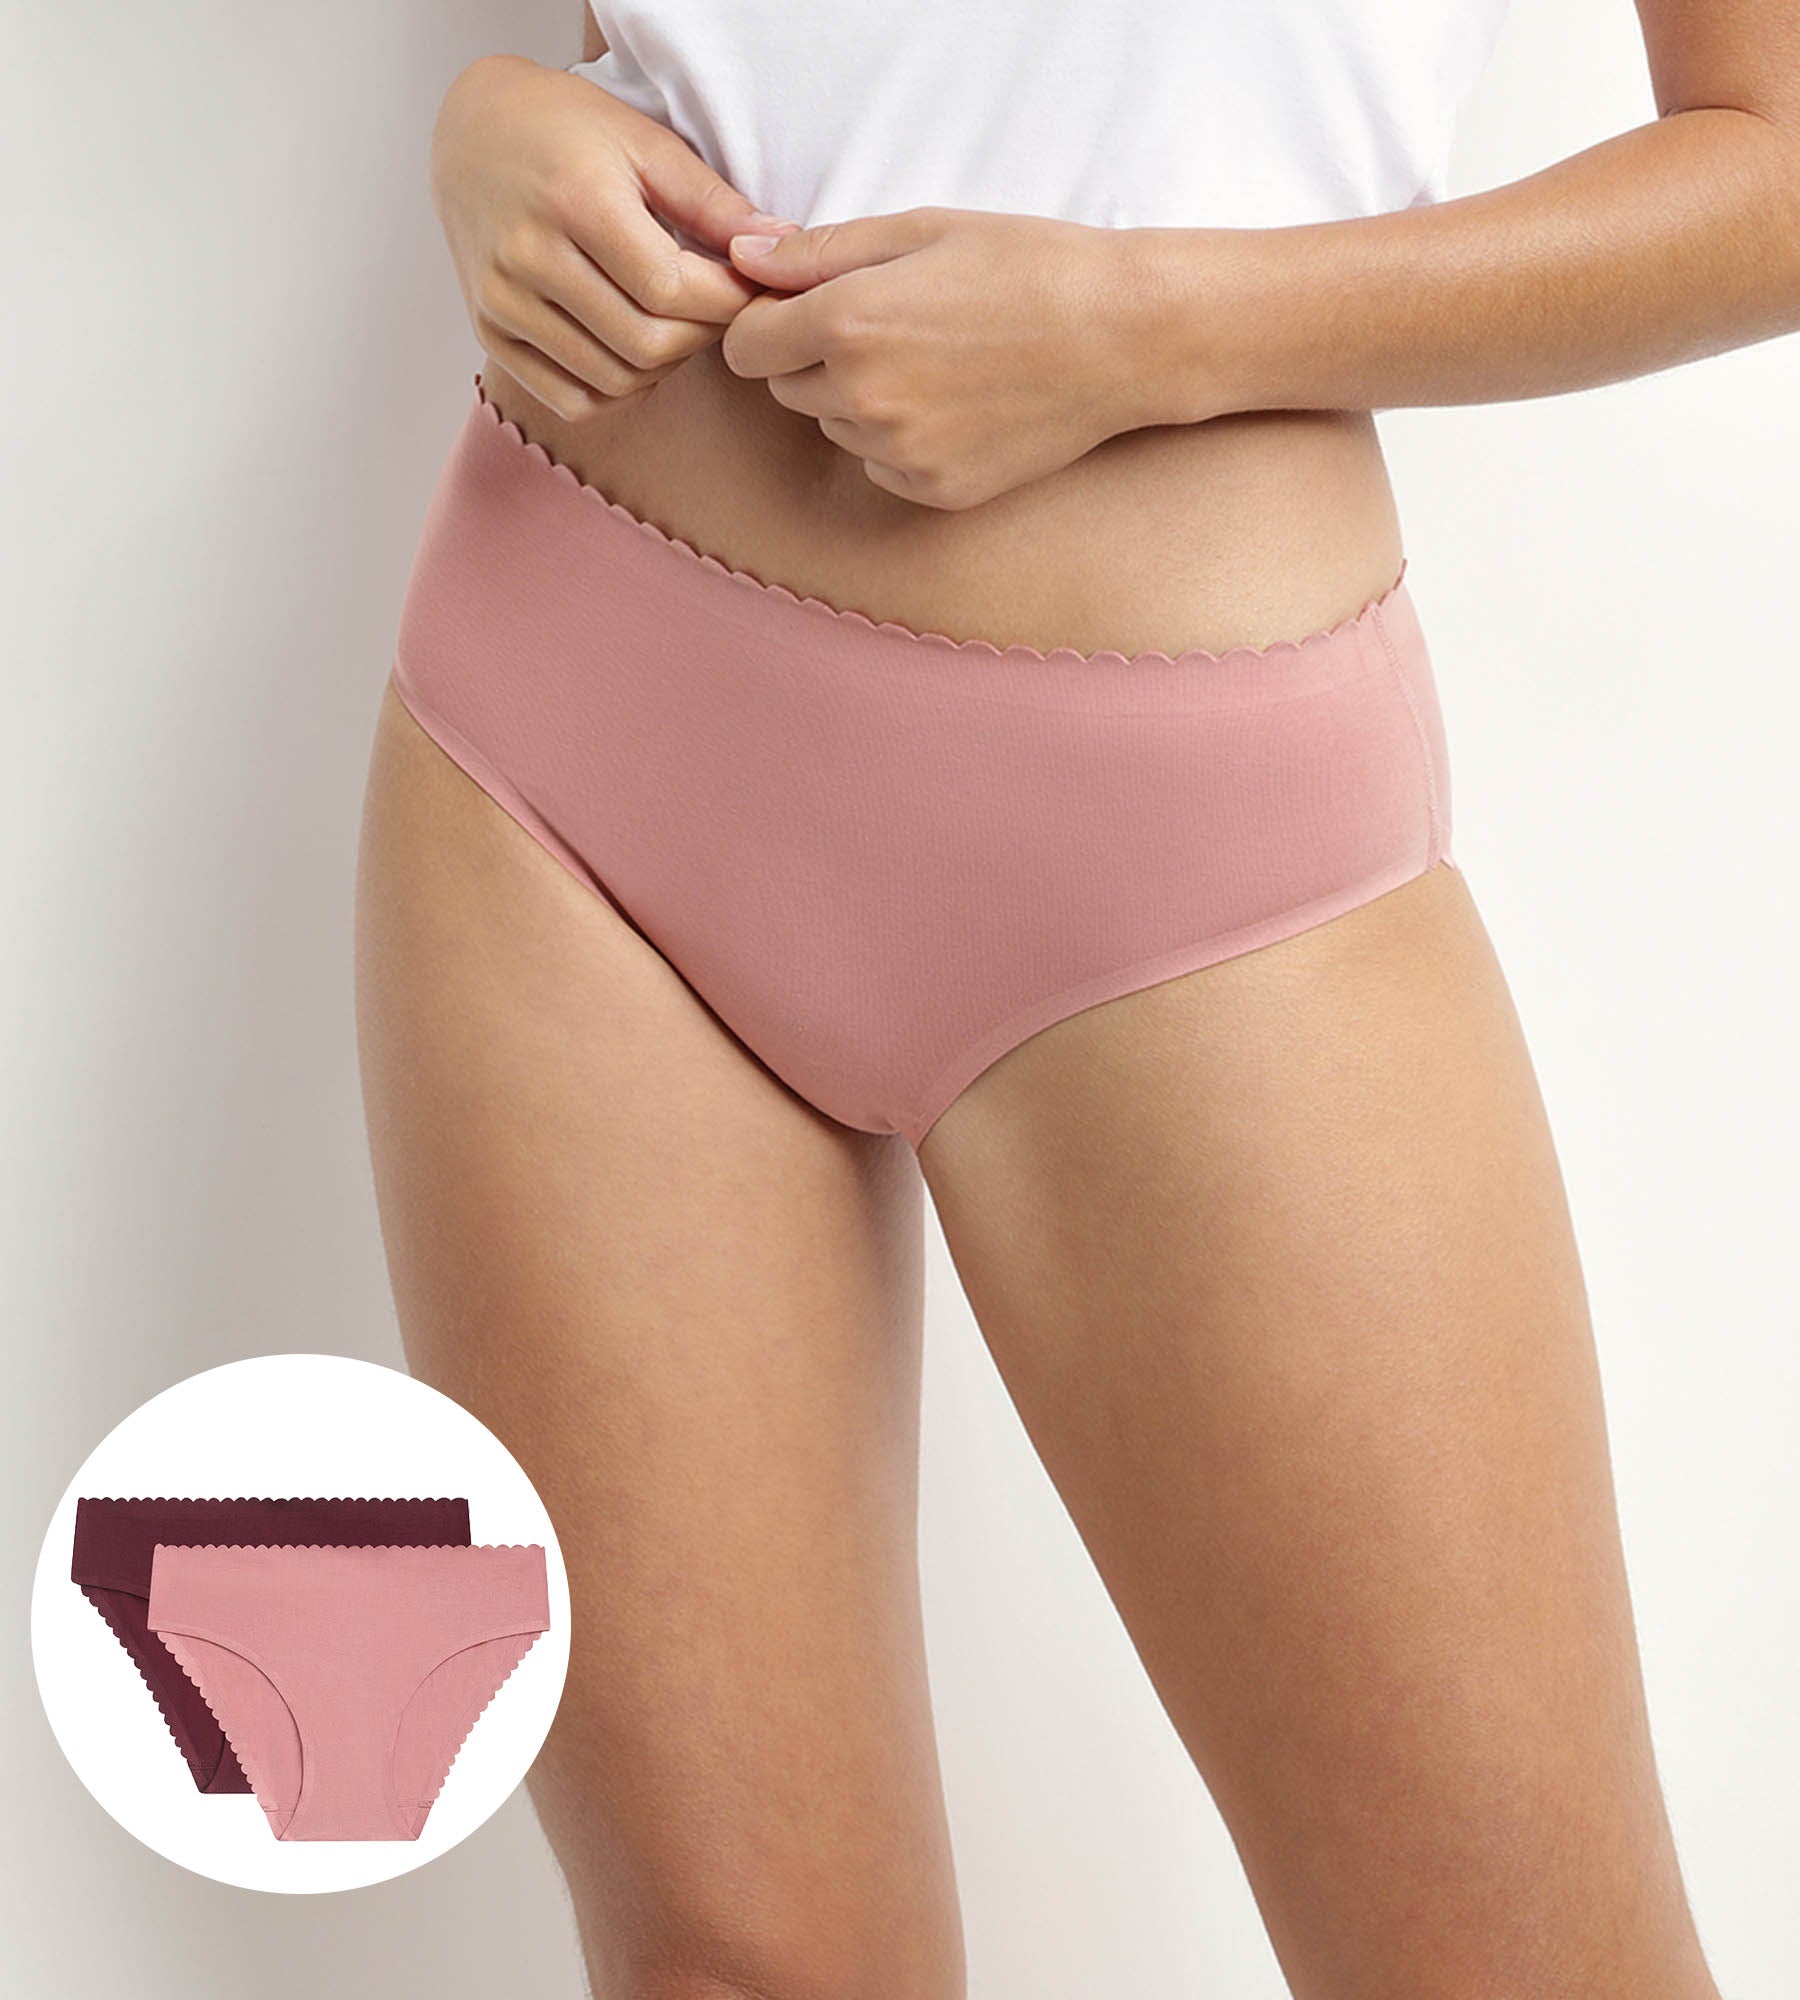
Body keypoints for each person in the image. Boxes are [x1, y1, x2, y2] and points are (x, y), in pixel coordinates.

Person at [354, 5, 1800, 1995]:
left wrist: (1153, 326)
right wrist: (498, 124)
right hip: (565, 720)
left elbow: (1776, 164)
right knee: (729, 1962)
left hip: (1184, 853)